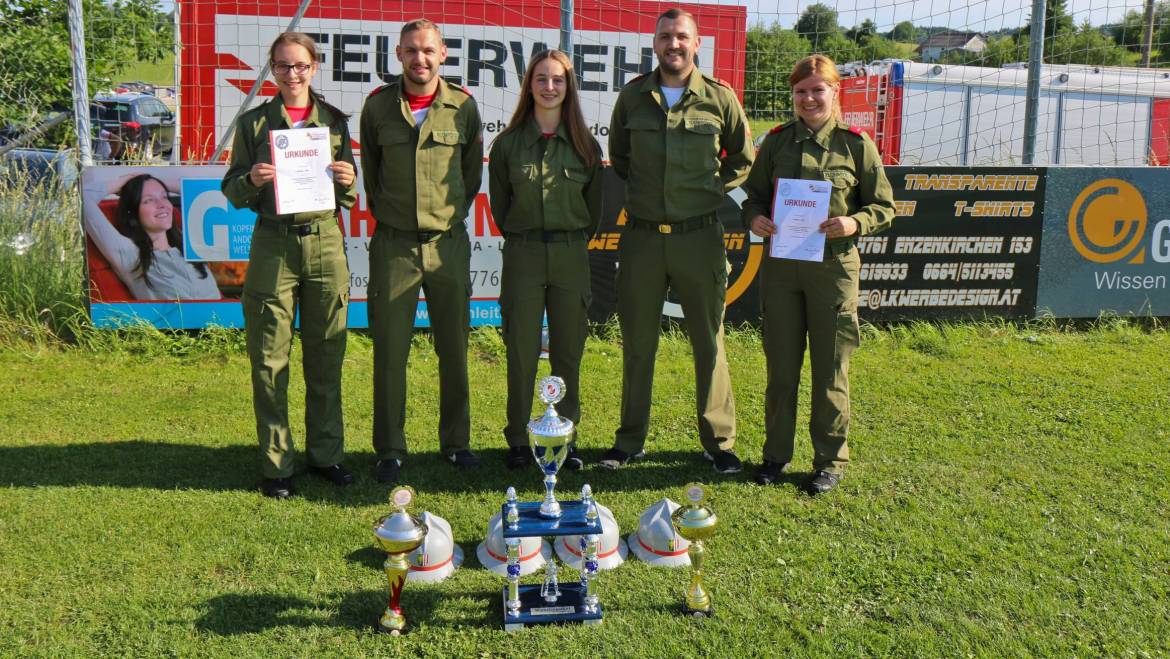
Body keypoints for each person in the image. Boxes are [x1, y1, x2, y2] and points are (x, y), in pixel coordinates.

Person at [601, 8, 753, 474]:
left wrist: (704, 192)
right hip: (644, 238)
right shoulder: (632, 98)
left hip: (700, 236)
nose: (674, 44)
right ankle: (630, 441)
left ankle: (719, 443)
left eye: (681, 37)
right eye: (665, 36)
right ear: (654, 43)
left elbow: (742, 159)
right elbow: (620, 157)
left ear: (696, 43)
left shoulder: (719, 98)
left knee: (709, 341)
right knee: (637, 342)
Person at [742, 54, 895, 494]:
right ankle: (775, 456)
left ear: (834, 92)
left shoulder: (856, 144)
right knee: (782, 367)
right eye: (801, 91)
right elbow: (752, 199)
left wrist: (854, 223)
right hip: (783, 269)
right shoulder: (774, 143)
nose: (809, 98)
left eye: (817, 90)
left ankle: (829, 460)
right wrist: (755, 220)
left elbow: (884, 206)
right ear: (793, 95)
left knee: (830, 368)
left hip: (833, 270)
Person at [221, 32, 359, 499]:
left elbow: (350, 195)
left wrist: (346, 178)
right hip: (273, 244)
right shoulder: (256, 124)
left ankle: (326, 455)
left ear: (314, 67)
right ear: (273, 70)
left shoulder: (335, 124)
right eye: (282, 66)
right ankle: (276, 463)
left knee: (326, 353)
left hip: (324, 242)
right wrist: (251, 178)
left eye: (300, 65)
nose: (292, 74)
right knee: (268, 358)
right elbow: (231, 189)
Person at [359, 19, 484, 483]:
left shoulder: (463, 108)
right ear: (399, 55)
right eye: (411, 51)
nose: (420, 59)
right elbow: (372, 172)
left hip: (447, 244)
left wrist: (441, 218)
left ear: (443, 54)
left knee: (454, 348)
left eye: (428, 51)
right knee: (390, 352)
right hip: (393, 246)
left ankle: (457, 443)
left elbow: (469, 178)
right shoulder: (377, 108)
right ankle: (389, 448)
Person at [488, 50, 603, 470]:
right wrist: (529, 238)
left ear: (569, 86)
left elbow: (594, 209)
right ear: (529, 85)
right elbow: (501, 207)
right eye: (541, 79)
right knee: (519, 347)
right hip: (524, 253)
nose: (550, 87)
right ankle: (519, 438)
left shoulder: (586, 146)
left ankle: (564, 436)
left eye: (558, 79)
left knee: (568, 348)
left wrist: (568, 240)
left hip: (571, 253)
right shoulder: (508, 144)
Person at [83, 170, 222, 301]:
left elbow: (213, 192)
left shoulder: (190, 246)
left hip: (227, 323)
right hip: (179, 326)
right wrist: (126, 180)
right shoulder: (128, 253)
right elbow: (83, 196)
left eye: (164, 196)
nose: (161, 204)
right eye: (148, 200)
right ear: (132, 212)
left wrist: (154, 180)